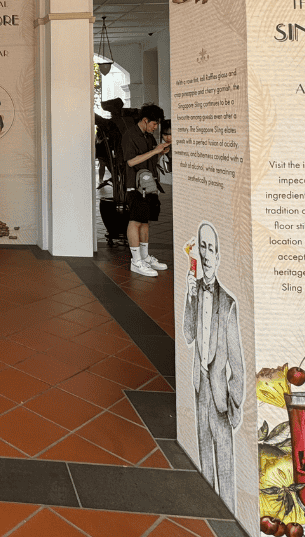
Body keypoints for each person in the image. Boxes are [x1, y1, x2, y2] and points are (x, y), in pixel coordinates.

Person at [182, 221, 245, 515]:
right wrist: (190, 296)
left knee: (225, 465)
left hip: (220, 397)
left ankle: (230, 515)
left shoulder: (228, 305)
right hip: (200, 387)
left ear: (218, 256)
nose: (206, 255)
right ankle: (208, 510)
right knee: (204, 457)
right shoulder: (196, 291)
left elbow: (238, 365)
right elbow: (188, 334)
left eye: (211, 249)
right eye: (202, 247)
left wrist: (233, 404)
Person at [120, 104, 170, 276]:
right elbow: (131, 162)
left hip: (149, 185)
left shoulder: (149, 137)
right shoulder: (130, 136)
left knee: (145, 221)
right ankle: (136, 261)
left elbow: (152, 156)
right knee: (135, 221)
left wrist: (162, 151)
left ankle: (145, 257)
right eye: (154, 124)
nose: (156, 127)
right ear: (145, 120)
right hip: (135, 185)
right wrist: (154, 150)